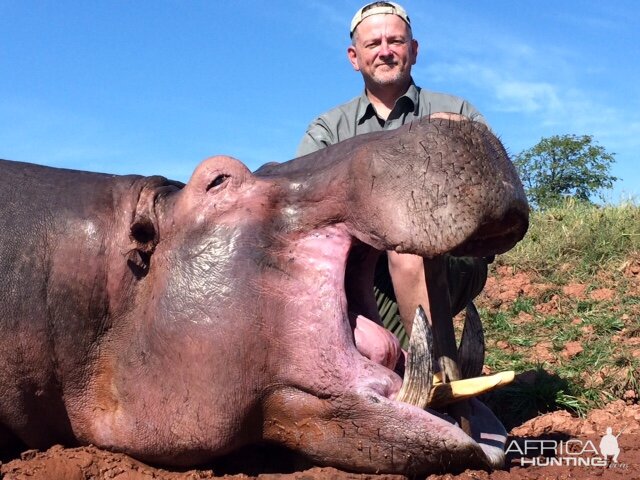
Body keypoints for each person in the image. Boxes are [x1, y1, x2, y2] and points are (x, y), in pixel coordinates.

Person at [297, 1, 489, 365]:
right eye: (373, 44)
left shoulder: (458, 112)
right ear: (355, 57)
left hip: (451, 258)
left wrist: (459, 140)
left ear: (413, 51)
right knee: (388, 365)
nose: (385, 51)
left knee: (408, 247)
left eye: (396, 41)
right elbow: (308, 218)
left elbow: (489, 197)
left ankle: (439, 371)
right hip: (364, 272)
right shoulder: (327, 131)